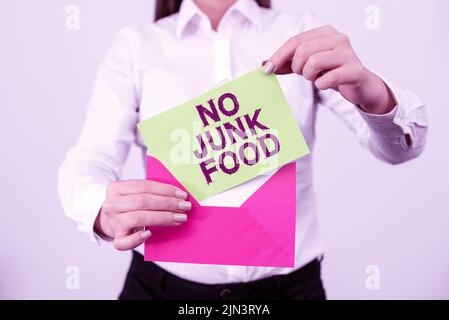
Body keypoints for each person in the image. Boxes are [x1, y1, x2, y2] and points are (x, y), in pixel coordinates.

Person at [58, 0, 428, 300]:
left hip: (289, 292)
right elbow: (89, 160)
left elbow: (400, 150)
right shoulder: (137, 44)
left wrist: (371, 90)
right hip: (159, 290)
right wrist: (101, 209)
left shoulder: (299, 29)